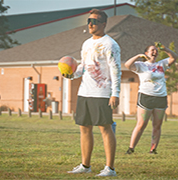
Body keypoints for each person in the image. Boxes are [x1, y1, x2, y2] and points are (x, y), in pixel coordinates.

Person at [65, 9, 121, 176]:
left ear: (103, 24)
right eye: (89, 20)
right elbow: (83, 66)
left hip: (102, 93)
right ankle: (85, 166)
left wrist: (115, 93)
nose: (90, 24)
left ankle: (110, 169)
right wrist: (72, 74)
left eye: (94, 21)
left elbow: (116, 70)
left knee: (105, 128)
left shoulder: (110, 44)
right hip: (84, 91)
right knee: (84, 128)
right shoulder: (86, 43)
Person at [124, 43, 178, 154]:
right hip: (146, 97)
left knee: (157, 125)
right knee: (141, 124)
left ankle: (153, 149)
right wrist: (138, 56)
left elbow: (174, 58)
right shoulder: (141, 65)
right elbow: (127, 65)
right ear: (146, 53)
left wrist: (165, 49)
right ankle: (131, 148)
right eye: (152, 50)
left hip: (160, 97)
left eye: (156, 51)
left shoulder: (162, 64)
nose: (154, 52)